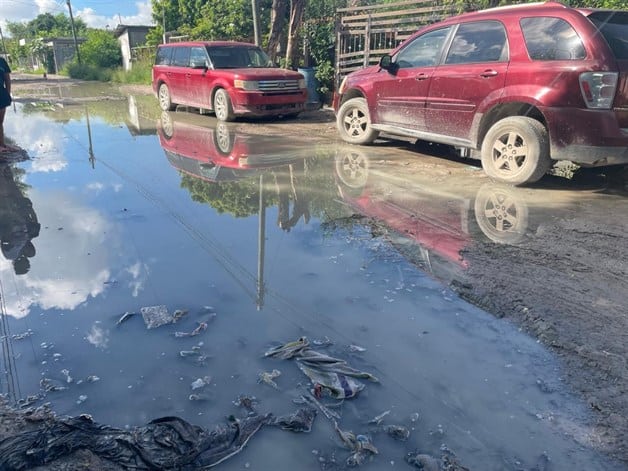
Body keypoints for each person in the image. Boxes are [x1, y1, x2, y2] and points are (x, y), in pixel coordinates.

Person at [0, 56, 16, 153]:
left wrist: (8, 93)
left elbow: (7, 80)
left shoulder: (1, 61)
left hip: (1, 95)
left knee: (0, 121)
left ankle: (1, 145)